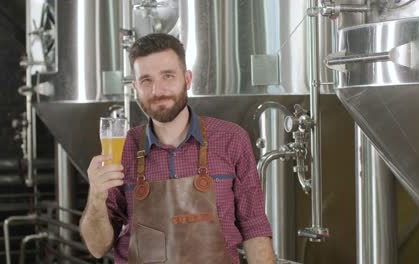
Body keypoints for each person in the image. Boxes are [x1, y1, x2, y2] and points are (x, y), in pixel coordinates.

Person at [80, 33, 275, 264]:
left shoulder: (231, 139)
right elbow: (97, 247)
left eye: (168, 76)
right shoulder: (123, 148)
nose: (157, 91)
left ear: (187, 79)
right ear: (135, 87)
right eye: (146, 80)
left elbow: (254, 228)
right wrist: (96, 195)